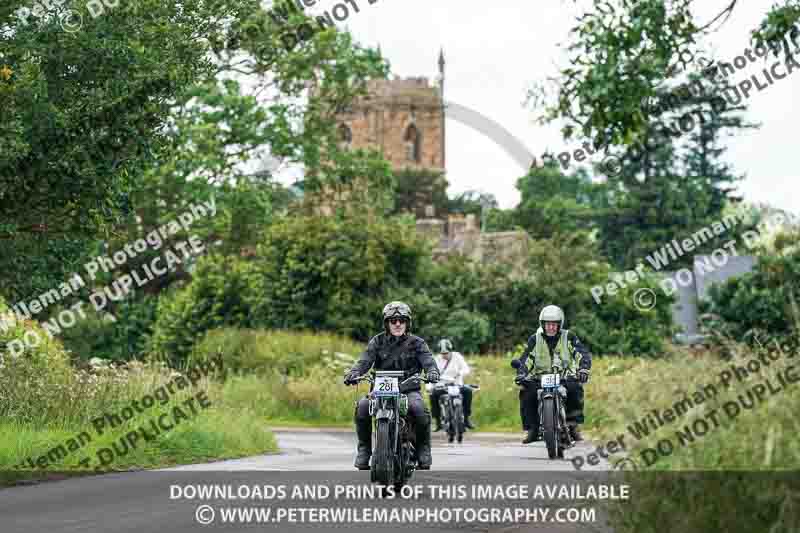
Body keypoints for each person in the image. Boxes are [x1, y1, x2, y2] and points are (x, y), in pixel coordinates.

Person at [343, 301, 440, 470]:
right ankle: (365, 450)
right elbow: (364, 361)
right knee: (362, 407)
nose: (397, 324)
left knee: (419, 408)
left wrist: (432, 372)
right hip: (380, 390)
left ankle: (424, 449)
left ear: (407, 322)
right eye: (392, 320)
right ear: (386, 323)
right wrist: (354, 373)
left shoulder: (418, 343)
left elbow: (428, 361)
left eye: (401, 320)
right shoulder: (377, 342)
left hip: (408, 389)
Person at [512, 304, 591, 444]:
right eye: (548, 324)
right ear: (542, 324)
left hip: (564, 376)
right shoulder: (534, 339)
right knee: (526, 393)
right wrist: (521, 373)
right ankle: (533, 429)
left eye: (555, 324)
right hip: (540, 378)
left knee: (576, 389)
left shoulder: (569, 336)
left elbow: (581, 354)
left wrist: (583, 368)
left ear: (560, 324)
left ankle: (573, 426)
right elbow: (526, 358)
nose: (551, 327)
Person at [429, 339, 475, 431]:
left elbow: (466, 369)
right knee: (433, 395)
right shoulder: (436, 359)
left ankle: (466, 419)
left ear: (451, 350)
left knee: (468, 391)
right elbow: (431, 374)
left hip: (456, 384)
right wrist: (430, 386)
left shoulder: (458, 356)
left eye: (446, 353)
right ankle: (438, 422)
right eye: (443, 353)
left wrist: (460, 373)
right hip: (442, 385)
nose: (445, 355)